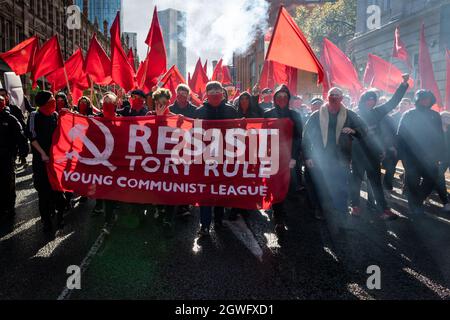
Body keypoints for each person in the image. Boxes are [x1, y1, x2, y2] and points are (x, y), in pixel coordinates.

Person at [303, 87, 366, 226]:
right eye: (331, 95)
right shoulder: (316, 115)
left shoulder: (349, 115)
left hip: (341, 158)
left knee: (341, 185)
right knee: (321, 186)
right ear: (327, 97)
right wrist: (307, 157)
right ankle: (320, 210)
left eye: (337, 95)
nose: (334, 97)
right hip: (321, 157)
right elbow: (306, 137)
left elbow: (364, 131)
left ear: (342, 98)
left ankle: (342, 212)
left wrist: (354, 130)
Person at [349, 74, 409, 220]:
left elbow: (393, 102)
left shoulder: (377, 112)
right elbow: (346, 134)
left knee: (376, 182)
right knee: (356, 180)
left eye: (373, 99)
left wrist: (403, 85)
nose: (371, 102)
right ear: (363, 100)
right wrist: (347, 155)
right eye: (368, 99)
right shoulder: (353, 113)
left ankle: (384, 209)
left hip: (373, 154)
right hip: (357, 153)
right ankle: (355, 206)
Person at [195, 81, 238, 236]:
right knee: (205, 193)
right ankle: (204, 225)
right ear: (206, 93)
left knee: (221, 190)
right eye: (210, 90)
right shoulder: (199, 111)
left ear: (222, 92)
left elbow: (239, 133)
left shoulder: (231, 110)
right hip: (205, 158)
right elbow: (191, 133)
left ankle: (218, 220)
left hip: (224, 157)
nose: (214, 92)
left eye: (217, 89)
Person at [397, 90, 446, 215]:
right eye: (423, 99)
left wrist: (439, 155)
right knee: (412, 181)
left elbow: (439, 136)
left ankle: (417, 201)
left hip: (430, 157)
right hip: (411, 156)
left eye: (428, 99)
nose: (426, 101)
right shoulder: (409, 114)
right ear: (418, 100)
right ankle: (415, 207)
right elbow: (401, 135)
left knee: (432, 178)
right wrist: (402, 155)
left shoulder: (435, 115)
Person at [26, 91, 66, 237]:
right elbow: (32, 136)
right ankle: (46, 221)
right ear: (42, 103)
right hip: (42, 162)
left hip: (56, 162)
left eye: (54, 100)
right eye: (51, 100)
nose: (54, 102)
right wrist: (43, 154)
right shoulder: (34, 116)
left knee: (59, 192)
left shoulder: (55, 116)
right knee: (44, 193)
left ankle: (60, 217)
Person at [264, 85, 302, 235]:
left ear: (288, 99)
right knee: (275, 185)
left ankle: (285, 212)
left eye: (285, 97)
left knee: (289, 187)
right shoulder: (268, 114)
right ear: (274, 99)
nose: (282, 100)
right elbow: (263, 136)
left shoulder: (295, 115)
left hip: (289, 157)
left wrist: (294, 156)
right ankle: (278, 217)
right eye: (279, 97)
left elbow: (299, 137)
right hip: (273, 156)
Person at [0, 95, 29, 218]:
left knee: (8, 182)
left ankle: (9, 207)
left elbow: (21, 136)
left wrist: (23, 152)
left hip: (7, 157)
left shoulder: (11, 119)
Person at [381, 98, 412, 191]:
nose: (403, 105)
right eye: (402, 103)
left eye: (405, 104)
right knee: (390, 168)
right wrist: (391, 146)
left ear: (410, 106)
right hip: (394, 147)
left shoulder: (411, 117)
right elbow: (388, 133)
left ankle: (406, 189)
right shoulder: (393, 117)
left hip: (406, 149)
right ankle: (387, 188)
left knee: (409, 170)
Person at [437, 111, 450, 211]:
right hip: (440, 159)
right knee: (439, 178)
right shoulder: (435, 130)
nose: (447, 118)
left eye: (448, 117)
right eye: (444, 117)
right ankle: (445, 202)